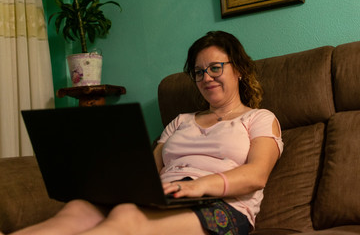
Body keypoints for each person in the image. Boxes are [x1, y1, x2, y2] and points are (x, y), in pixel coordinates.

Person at [10, 31, 283, 235]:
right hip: (166, 197)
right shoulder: (180, 121)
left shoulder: (258, 117)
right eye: (199, 72)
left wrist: (194, 186)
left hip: (225, 206)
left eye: (215, 68)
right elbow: (146, 171)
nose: (206, 77)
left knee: (126, 217)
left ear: (240, 71)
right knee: (79, 208)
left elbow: (256, 174)